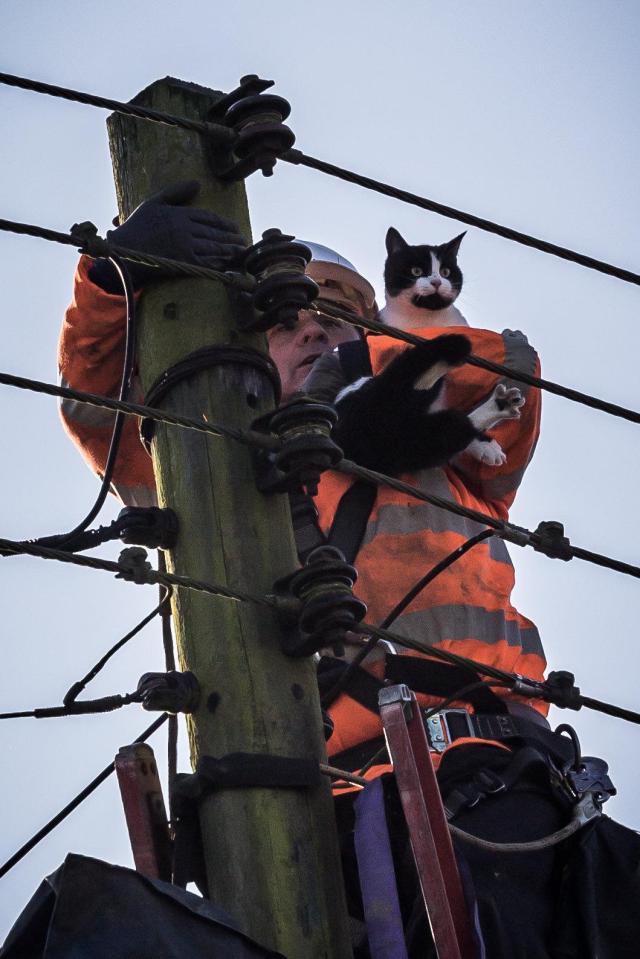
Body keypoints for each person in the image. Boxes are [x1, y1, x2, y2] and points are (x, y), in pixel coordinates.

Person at [58, 182, 639, 958]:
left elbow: (510, 374)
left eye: (333, 317)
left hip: (486, 792)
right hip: (286, 823)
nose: (312, 334)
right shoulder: (200, 466)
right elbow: (94, 406)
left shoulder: (447, 446)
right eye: (286, 322)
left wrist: (363, 361)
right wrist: (114, 275)